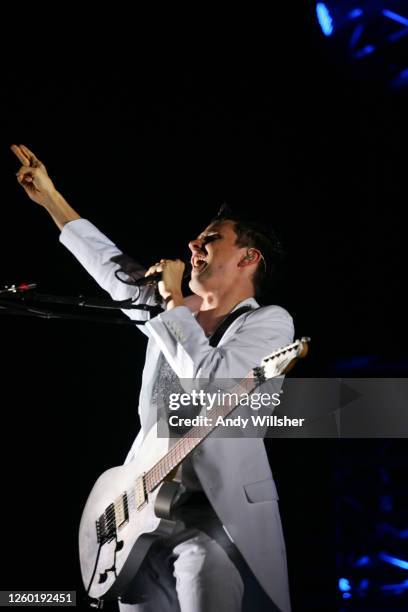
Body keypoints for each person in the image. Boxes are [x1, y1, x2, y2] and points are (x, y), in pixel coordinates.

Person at [11, 143, 294, 612]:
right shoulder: (166, 312)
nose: (193, 245)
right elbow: (109, 265)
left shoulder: (268, 323)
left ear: (248, 258)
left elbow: (216, 386)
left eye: (212, 239)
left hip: (213, 520)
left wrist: (172, 302)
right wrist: (50, 199)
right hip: (138, 519)